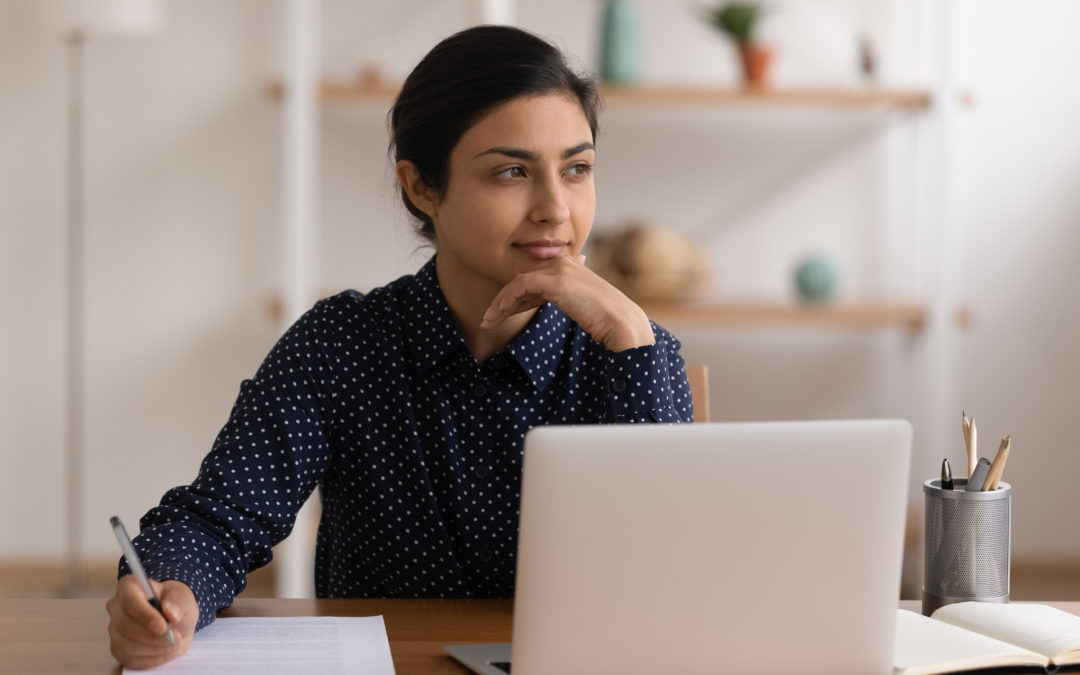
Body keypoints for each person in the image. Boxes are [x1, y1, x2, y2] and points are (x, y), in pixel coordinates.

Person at [106, 24, 693, 669]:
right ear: (421, 187)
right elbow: (218, 517)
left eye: (576, 169)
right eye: (511, 172)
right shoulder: (341, 344)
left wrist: (636, 340)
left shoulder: (629, 350)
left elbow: (674, 577)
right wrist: (168, 588)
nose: (556, 208)